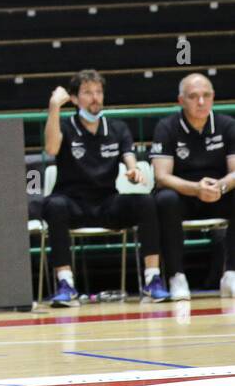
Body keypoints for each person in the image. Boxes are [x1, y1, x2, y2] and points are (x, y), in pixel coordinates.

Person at [41, 71, 165, 306]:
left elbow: (130, 158)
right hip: (73, 203)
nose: (95, 98)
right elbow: (51, 148)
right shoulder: (66, 127)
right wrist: (54, 106)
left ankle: (153, 279)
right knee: (54, 205)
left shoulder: (117, 128)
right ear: (75, 99)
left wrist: (133, 171)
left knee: (147, 201)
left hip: (107, 203)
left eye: (98, 92)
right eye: (87, 92)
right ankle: (65, 283)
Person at [151, 73, 235, 299]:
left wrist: (220, 187)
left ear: (213, 97)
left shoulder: (227, 125)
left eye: (206, 96)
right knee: (164, 199)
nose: (201, 102)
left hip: (218, 193)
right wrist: (196, 189)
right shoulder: (166, 127)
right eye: (193, 96)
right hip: (183, 195)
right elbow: (161, 176)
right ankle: (177, 276)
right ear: (181, 100)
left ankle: (231, 274)